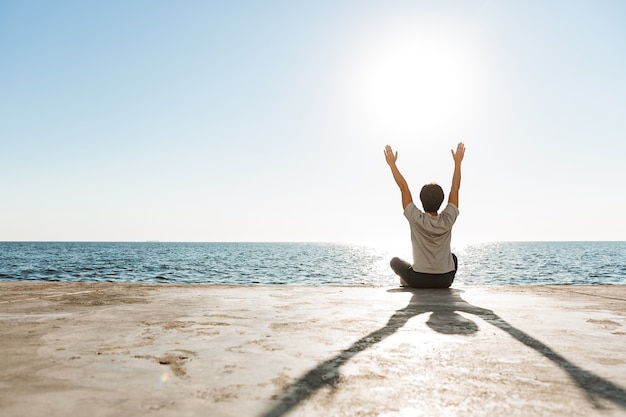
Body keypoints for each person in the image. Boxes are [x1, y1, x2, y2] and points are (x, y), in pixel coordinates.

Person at [384, 142, 465, 288]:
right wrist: (458, 163)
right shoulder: (448, 219)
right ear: (441, 201)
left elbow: (404, 188)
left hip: (419, 279)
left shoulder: (416, 218)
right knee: (453, 258)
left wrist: (392, 164)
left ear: (421, 200)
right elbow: (455, 189)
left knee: (394, 261)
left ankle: (407, 281)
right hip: (444, 281)